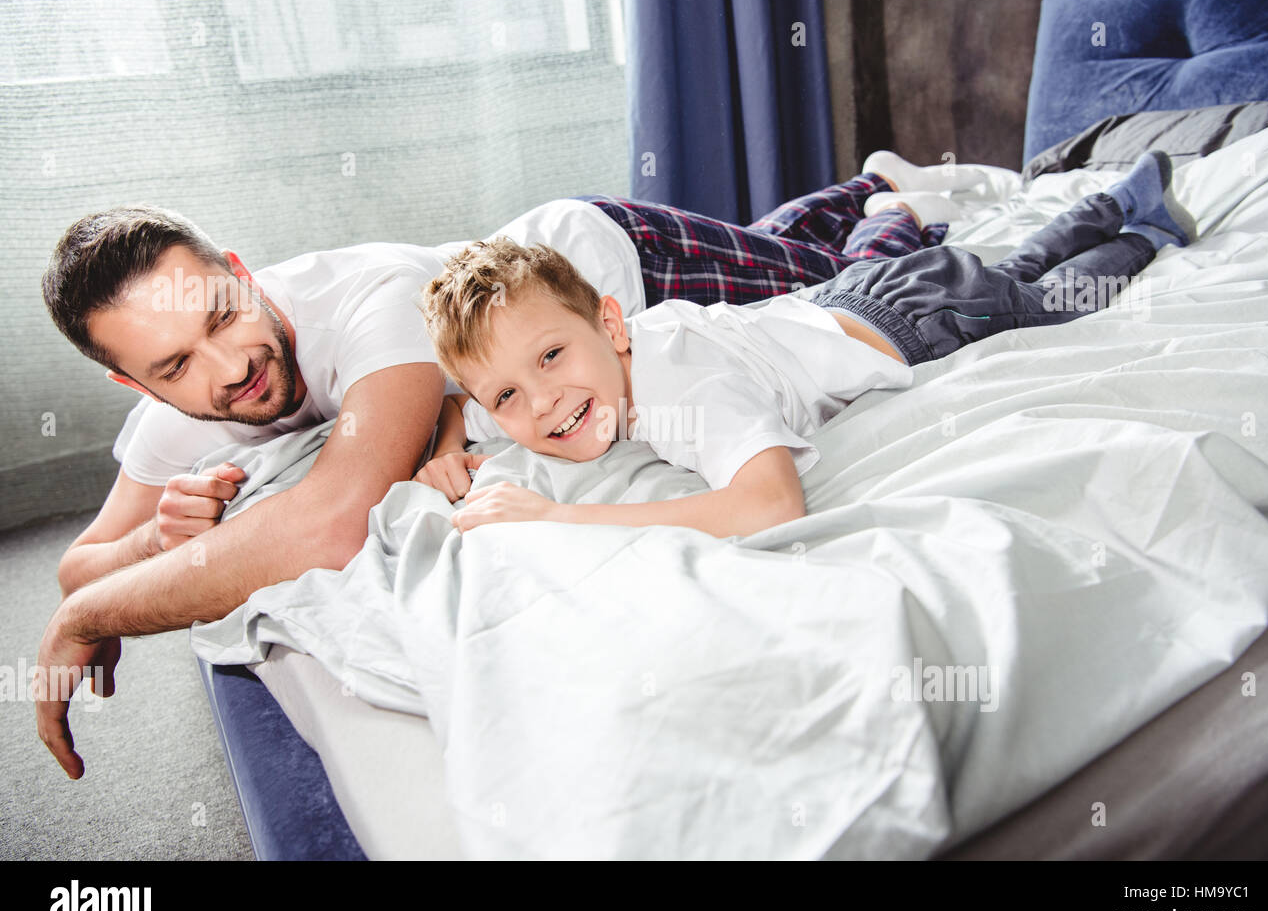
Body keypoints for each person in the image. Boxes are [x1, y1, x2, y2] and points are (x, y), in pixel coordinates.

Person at [32, 156, 962, 778]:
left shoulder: (368, 305)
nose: (228, 366)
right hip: (523, 331)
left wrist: (87, 614)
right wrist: (159, 535)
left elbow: (330, 519)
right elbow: (87, 553)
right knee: (814, 261)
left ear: (238, 268)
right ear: (133, 383)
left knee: (823, 277)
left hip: (618, 265)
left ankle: (883, 198)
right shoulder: (174, 411)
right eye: (174, 368)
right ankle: (863, 193)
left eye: (222, 317)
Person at [419, 152, 1194, 540]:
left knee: (1040, 300)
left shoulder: (677, 382)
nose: (543, 401)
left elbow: (768, 503)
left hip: (917, 324)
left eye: (550, 358)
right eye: (509, 396)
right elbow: (473, 400)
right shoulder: (577, 377)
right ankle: (1109, 198)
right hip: (852, 295)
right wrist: (455, 440)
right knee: (1011, 268)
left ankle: (1144, 232)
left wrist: (553, 520)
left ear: (613, 326)